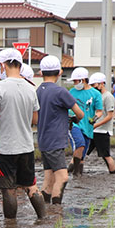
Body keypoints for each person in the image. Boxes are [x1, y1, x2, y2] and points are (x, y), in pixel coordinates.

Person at [0, 48, 46, 219]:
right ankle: (43, 218)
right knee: (31, 186)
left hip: (6, 147)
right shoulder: (30, 89)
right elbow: (35, 120)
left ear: (2, 65)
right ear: (20, 65)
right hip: (26, 146)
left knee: (8, 188)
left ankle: (10, 226)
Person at [36, 55, 83, 205]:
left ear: (41, 72)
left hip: (43, 140)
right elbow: (80, 113)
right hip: (55, 141)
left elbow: (35, 118)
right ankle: (56, 211)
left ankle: (44, 214)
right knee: (62, 177)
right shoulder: (60, 92)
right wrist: (72, 118)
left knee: (49, 178)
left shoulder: (38, 91)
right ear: (60, 72)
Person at [67, 67, 103, 176]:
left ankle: (74, 173)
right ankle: (76, 173)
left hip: (88, 126)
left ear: (83, 80)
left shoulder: (95, 94)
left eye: (75, 81)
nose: (74, 83)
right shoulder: (71, 92)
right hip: (74, 124)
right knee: (80, 144)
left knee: (82, 155)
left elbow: (99, 111)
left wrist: (95, 118)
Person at [88, 72, 115, 174]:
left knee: (106, 155)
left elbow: (109, 115)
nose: (93, 87)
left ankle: (113, 174)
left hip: (103, 131)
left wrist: (96, 125)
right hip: (93, 130)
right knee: (81, 153)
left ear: (101, 84)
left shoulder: (108, 97)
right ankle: (76, 173)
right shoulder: (96, 96)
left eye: (94, 85)